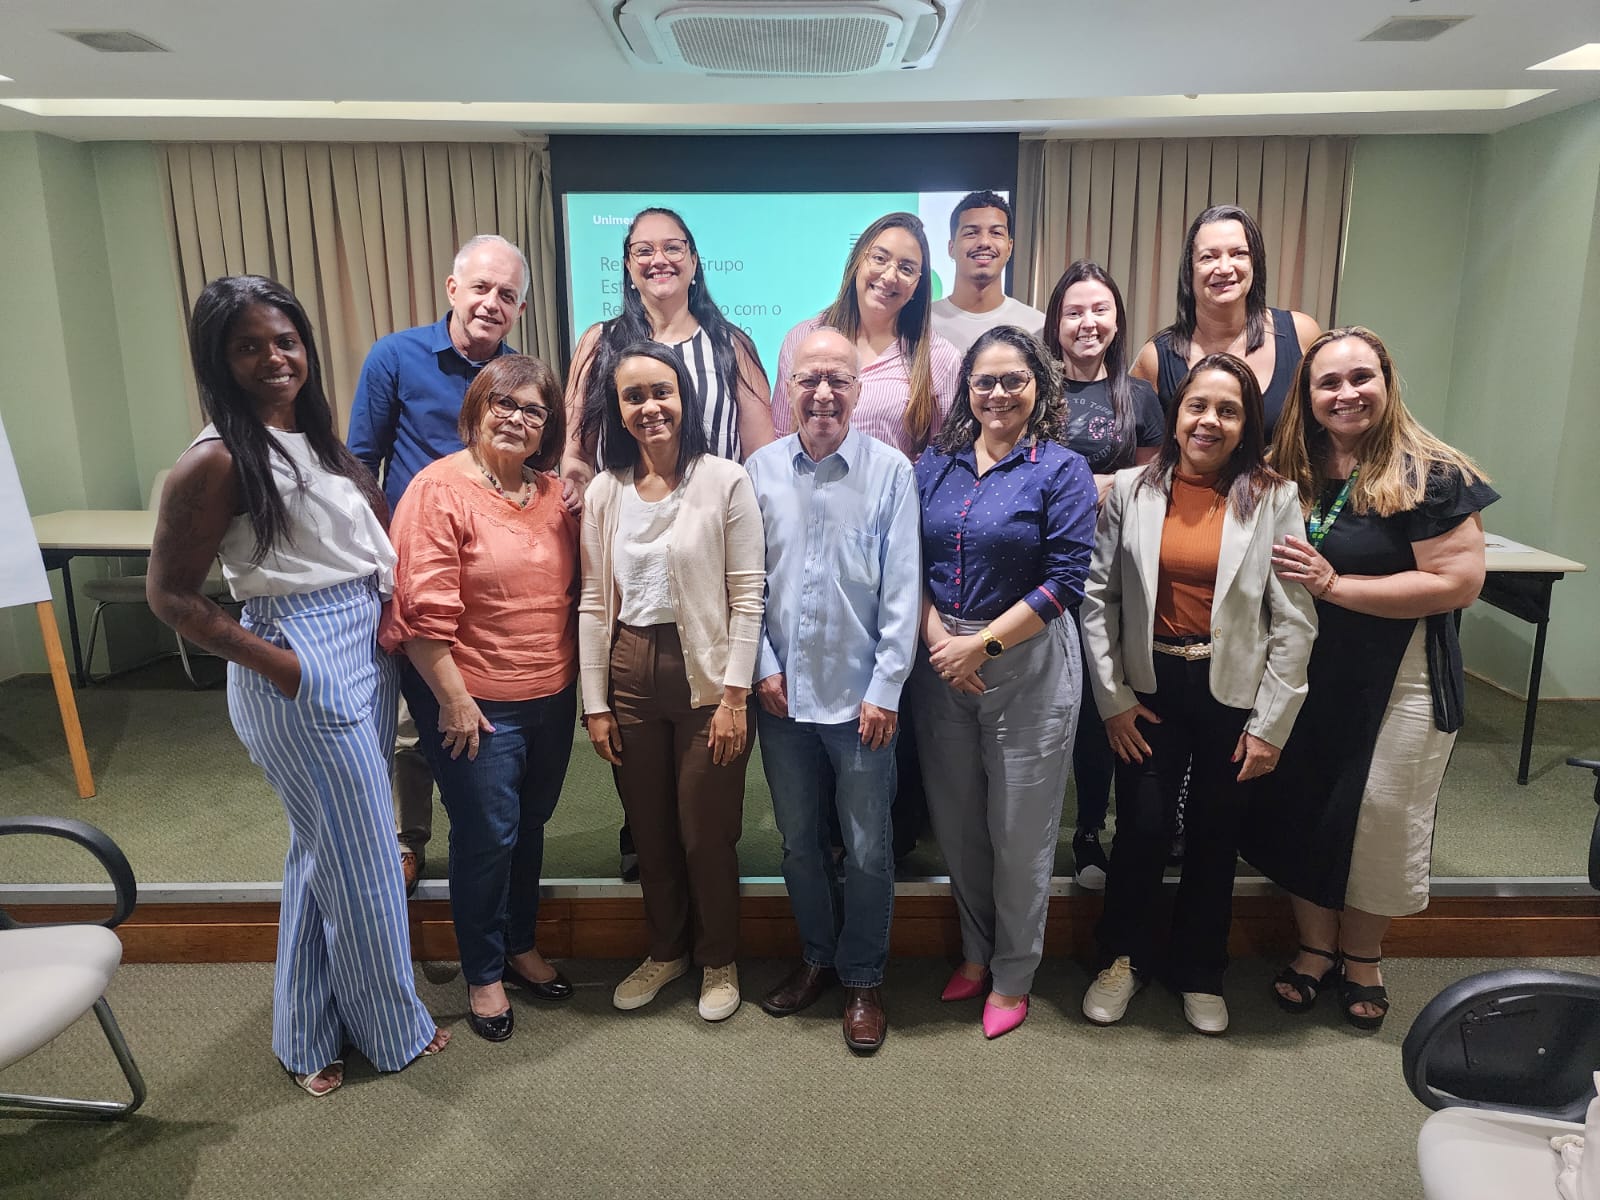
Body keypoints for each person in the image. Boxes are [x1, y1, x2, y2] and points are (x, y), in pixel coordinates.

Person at [147, 275, 448, 1097]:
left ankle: (307, 1030)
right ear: (218, 360)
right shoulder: (214, 459)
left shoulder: (310, 437)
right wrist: (288, 666)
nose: (274, 358)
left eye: (285, 341)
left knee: (328, 851)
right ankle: (390, 1027)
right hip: (299, 656)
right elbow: (170, 597)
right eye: (249, 346)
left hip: (361, 648)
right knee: (365, 860)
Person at [1243, 326, 1497, 1031]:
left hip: (1399, 675)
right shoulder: (1290, 468)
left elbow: (1458, 582)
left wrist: (1335, 586)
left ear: (1387, 382)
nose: (1346, 393)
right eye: (1328, 383)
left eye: (1361, 378)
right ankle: (1313, 947)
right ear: (1307, 395)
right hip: (1306, 672)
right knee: (1304, 802)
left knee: (1382, 812)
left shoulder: (1431, 473)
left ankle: (1363, 956)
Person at [1078, 354, 1318, 1035]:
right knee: (1143, 828)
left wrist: (1270, 724)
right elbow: (1098, 600)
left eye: (1228, 410)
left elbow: (1294, 620)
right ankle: (1123, 956)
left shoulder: (1273, 498)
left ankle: (1200, 968)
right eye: (1197, 406)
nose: (1209, 421)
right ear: (1177, 414)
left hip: (1233, 691)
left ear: (1247, 425)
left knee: (1217, 833)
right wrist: (1113, 700)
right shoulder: (1131, 489)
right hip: (1148, 688)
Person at [561, 206, 773, 881]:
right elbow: (575, 449)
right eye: (643, 249)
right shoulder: (599, 342)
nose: (660, 259)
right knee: (642, 753)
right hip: (628, 540)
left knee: (707, 780)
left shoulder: (730, 343)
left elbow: (762, 452)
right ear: (626, 264)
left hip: (711, 547)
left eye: (674, 247)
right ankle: (645, 839)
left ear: (694, 259)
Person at [380, 355, 578, 1043]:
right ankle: (484, 970)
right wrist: (455, 701)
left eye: (534, 411)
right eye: (505, 404)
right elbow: (418, 612)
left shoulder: (552, 496)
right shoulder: (438, 491)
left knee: (529, 825)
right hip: (474, 702)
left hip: (551, 694)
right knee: (487, 836)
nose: (518, 419)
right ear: (476, 408)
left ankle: (519, 944)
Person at [909, 325, 1097, 1039]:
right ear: (967, 390)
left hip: (1027, 663)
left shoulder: (1062, 469)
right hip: (942, 662)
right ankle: (976, 951)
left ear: (1039, 386)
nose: (997, 393)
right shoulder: (935, 464)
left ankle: (1015, 973)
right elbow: (907, 561)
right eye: (983, 381)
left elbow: (1066, 582)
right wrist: (941, 643)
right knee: (959, 826)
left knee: (1020, 832)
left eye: (1013, 380)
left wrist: (979, 647)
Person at [578, 341, 765, 1023]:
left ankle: (718, 958)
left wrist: (735, 696)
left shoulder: (725, 480)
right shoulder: (605, 491)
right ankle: (666, 950)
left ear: (684, 397)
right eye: (634, 396)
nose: (650, 406)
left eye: (662, 391)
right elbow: (593, 602)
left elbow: (748, 596)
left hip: (708, 678)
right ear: (618, 408)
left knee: (704, 834)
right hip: (630, 671)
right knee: (650, 834)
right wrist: (595, 703)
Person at [745, 327, 920, 1054]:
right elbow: (745, 585)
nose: (822, 394)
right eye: (809, 379)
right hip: (782, 699)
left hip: (861, 704)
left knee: (869, 848)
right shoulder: (758, 471)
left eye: (837, 381)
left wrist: (886, 688)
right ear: (789, 388)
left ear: (858, 389)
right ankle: (817, 957)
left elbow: (904, 592)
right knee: (798, 847)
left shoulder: (891, 472)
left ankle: (863, 977)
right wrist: (761, 667)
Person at [775, 211, 962, 863]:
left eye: (908, 266)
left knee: (888, 696)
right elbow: (786, 438)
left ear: (921, 281)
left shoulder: (936, 356)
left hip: (898, 543)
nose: (890, 275)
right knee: (818, 689)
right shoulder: (806, 338)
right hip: (819, 541)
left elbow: (944, 459)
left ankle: (888, 842)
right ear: (858, 261)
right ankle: (826, 841)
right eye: (880, 258)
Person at [348, 233, 531, 894]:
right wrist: (385, 554)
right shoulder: (395, 357)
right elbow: (360, 463)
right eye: (480, 288)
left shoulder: (517, 378)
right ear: (453, 289)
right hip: (412, 571)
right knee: (412, 721)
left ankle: (480, 841)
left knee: (477, 714)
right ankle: (407, 840)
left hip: (488, 575)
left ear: (519, 309)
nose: (491, 303)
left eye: (506, 295)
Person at [1042, 258, 1166, 889]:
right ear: (1055, 321)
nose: (1087, 323)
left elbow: (1155, 482)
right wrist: (1086, 485)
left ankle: (1090, 830)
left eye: (1099, 310)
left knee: (1102, 707)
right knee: (1042, 710)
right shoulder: (1032, 386)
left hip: (1111, 575)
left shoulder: (1138, 396)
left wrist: (1100, 483)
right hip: (1039, 571)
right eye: (1074, 311)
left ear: (1117, 320)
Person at [1133, 205, 1320, 435]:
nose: (1224, 268)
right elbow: (1138, 448)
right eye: (1208, 257)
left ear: (1255, 263)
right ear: (1190, 270)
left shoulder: (1302, 333)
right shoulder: (1155, 359)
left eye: (1238, 253)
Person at [929, 190, 1046, 355]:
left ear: (1009, 248)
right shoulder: (921, 325)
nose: (984, 242)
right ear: (951, 248)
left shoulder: (1037, 327)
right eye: (971, 233)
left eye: (996, 233)